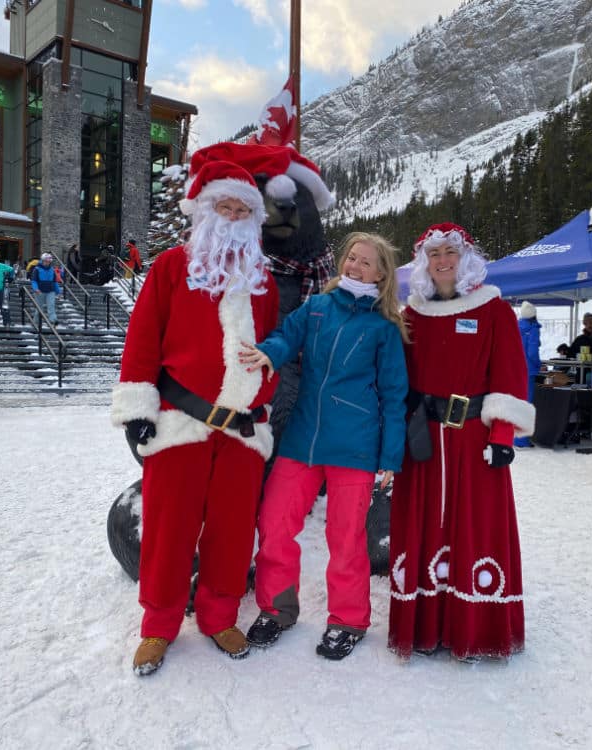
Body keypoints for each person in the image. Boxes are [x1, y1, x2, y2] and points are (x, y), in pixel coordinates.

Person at [110, 156, 279, 675]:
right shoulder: (169, 267)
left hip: (242, 430)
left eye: (241, 209)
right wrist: (138, 409)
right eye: (222, 206)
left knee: (232, 530)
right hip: (178, 421)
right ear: (204, 212)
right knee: (167, 530)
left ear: (252, 219)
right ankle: (158, 626)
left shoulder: (263, 282)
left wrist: (266, 396)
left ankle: (219, 616)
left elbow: (276, 345)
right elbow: (141, 339)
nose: (231, 216)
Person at [239, 232, 409, 661]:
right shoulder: (316, 308)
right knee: (275, 522)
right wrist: (268, 354)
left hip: (355, 446)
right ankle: (276, 608)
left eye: (366, 262)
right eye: (352, 257)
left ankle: (348, 619)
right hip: (303, 440)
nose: (355, 266)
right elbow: (285, 336)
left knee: (346, 537)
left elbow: (394, 395)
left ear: (382, 274)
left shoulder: (384, 328)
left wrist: (390, 457)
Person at [388, 223, 535, 663]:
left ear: (465, 257)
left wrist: (503, 434)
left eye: (450, 252)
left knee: (476, 527)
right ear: (424, 262)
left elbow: (510, 374)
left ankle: (475, 628)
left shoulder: (494, 311)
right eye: (434, 254)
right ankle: (427, 625)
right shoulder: (410, 314)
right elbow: (398, 379)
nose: (442, 261)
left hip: (474, 439)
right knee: (424, 526)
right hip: (423, 442)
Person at [514, 301, 542, 448]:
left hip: (516, 369)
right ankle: (522, 440)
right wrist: (538, 365)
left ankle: (515, 438)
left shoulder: (515, 326)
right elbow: (532, 352)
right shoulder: (533, 329)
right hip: (528, 371)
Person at [29, 252, 62, 326]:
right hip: (40, 291)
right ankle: (35, 322)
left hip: (50, 290)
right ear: (42, 261)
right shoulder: (37, 269)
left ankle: (53, 320)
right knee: (39, 308)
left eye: (48, 262)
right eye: (46, 261)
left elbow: (54, 282)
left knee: (51, 306)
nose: (47, 263)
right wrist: (36, 289)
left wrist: (58, 292)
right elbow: (34, 281)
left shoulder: (52, 270)